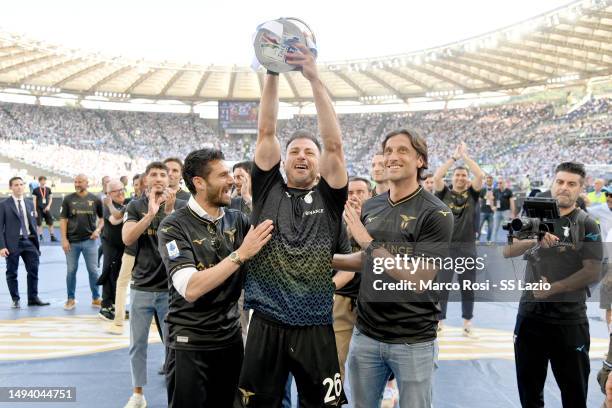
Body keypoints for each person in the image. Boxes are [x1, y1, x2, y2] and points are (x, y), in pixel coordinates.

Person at [238, 41, 349, 407]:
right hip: (265, 321)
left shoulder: (331, 198)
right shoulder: (267, 188)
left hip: (315, 323)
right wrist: (272, 72)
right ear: (283, 160)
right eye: (295, 151)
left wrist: (315, 79)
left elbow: (334, 144)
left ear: (318, 163)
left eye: (309, 152)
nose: (302, 156)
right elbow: (266, 131)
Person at [333, 128, 453, 408]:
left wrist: (366, 241)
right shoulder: (372, 205)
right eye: (388, 151)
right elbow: (367, 261)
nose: (392, 157)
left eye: (402, 150)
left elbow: (419, 279)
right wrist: (325, 258)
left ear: (420, 160)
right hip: (366, 333)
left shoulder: (437, 213)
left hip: (413, 339)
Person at [158, 148, 273, 408]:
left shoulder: (238, 220)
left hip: (231, 340)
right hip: (190, 342)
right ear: (199, 183)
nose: (231, 180)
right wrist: (241, 254)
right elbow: (190, 287)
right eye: (222, 175)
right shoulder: (173, 226)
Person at [503, 162, 603, 408]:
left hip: (569, 321)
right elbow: (507, 250)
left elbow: (593, 270)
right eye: (560, 182)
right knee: (529, 395)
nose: (564, 188)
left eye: (571, 184)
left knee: (574, 396)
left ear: (581, 188)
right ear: (552, 183)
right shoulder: (532, 218)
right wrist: (533, 240)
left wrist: (554, 288)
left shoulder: (587, 223)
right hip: (530, 316)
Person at [121, 162, 185, 408]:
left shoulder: (179, 207)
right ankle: (138, 394)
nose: (159, 178)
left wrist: (167, 213)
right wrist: (149, 214)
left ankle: (175, 392)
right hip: (142, 286)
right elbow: (127, 237)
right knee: (137, 344)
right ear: (146, 180)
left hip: (170, 288)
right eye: (154, 174)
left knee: (173, 345)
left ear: (170, 179)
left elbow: (176, 248)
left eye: (163, 174)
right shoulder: (136, 205)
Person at [433, 142, 484, 336]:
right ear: (453, 178)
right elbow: (437, 176)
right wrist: (454, 158)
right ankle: (439, 321)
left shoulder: (473, 194)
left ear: (467, 179)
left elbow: (480, 176)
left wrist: (466, 158)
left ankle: (467, 322)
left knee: (467, 287)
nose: (461, 177)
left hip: (467, 248)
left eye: (464, 175)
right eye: (457, 174)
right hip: (446, 248)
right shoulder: (444, 193)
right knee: (442, 286)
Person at [333, 176, 371, 382]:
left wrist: (360, 224)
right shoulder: (335, 220)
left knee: (370, 364)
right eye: (351, 193)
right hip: (343, 298)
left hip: (373, 302)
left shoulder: (379, 219)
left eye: (360, 192)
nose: (355, 197)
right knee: (335, 360)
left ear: (370, 195)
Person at [0, 177, 49, 308]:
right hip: (12, 244)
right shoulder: (4, 205)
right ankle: (15, 299)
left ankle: (33, 298)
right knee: (12, 272)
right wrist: (2, 247)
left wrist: (36, 244)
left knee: (34, 271)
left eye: (21, 184)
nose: (19, 187)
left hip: (29, 242)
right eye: (16, 185)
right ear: (11, 187)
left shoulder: (29, 203)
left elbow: (32, 223)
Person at [60, 174, 104, 310]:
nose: (77, 184)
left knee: (93, 271)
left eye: (80, 182)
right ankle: (70, 299)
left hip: (89, 242)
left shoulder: (95, 199)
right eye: (75, 182)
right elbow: (63, 220)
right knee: (71, 271)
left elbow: (102, 219)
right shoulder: (68, 199)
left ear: (87, 183)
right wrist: (64, 239)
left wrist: (97, 230)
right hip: (72, 242)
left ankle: (96, 298)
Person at [97, 180, 127, 321]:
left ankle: (116, 306)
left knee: (119, 277)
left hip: (122, 246)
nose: (120, 192)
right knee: (109, 274)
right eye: (116, 191)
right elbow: (115, 220)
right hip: (110, 245)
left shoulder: (124, 203)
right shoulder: (108, 206)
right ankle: (105, 306)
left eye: (122, 189)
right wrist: (127, 210)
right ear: (109, 194)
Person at [32, 176, 57, 242]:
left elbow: (51, 199)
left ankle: (52, 236)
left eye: (44, 180)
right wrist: (35, 210)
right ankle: (40, 237)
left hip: (46, 208)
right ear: (39, 181)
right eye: (42, 180)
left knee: (50, 222)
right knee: (39, 223)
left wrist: (48, 206)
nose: (43, 182)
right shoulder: (35, 190)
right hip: (38, 208)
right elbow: (34, 200)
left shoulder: (48, 189)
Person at [479, 175, 495, 243]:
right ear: (486, 181)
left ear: (492, 181)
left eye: (490, 180)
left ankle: (488, 240)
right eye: (487, 180)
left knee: (490, 227)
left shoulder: (495, 190)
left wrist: (495, 206)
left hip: (491, 211)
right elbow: (479, 199)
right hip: (483, 210)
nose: (489, 181)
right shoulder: (482, 189)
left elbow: (497, 199)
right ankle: (477, 239)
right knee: (479, 226)